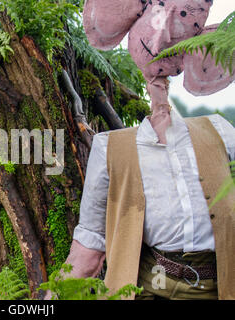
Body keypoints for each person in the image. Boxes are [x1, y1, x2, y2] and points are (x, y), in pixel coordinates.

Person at [57, 0, 235, 300]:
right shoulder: (110, 148)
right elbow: (88, 249)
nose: (163, 38)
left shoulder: (220, 131)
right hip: (146, 290)